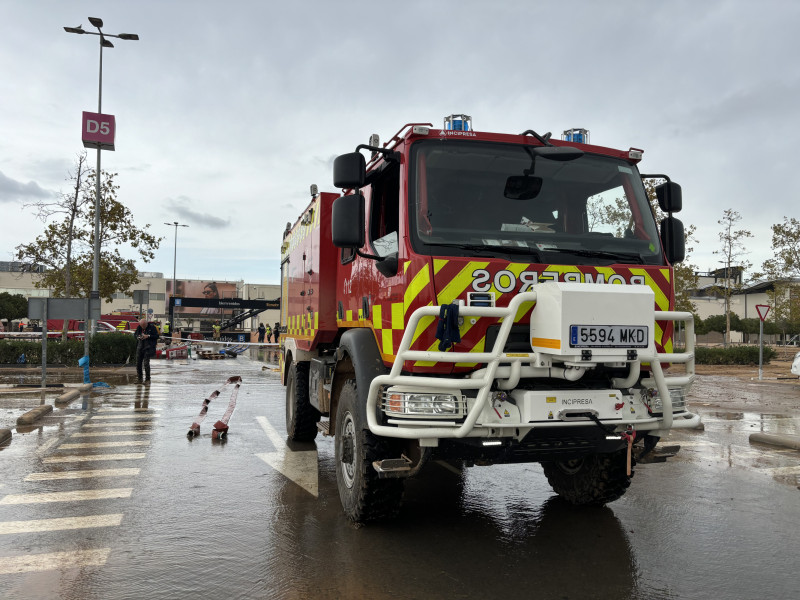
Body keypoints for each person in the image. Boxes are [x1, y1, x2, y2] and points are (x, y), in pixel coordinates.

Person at [133, 317, 159, 384]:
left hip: (148, 347)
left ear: (146, 324)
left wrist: (148, 336)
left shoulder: (152, 328)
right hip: (140, 347)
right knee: (138, 363)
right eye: (142, 326)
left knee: (146, 364)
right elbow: (135, 334)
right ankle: (139, 379)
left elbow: (156, 336)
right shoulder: (139, 327)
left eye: (144, 326)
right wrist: (138, 337)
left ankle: (147, 379)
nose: (143, 328)